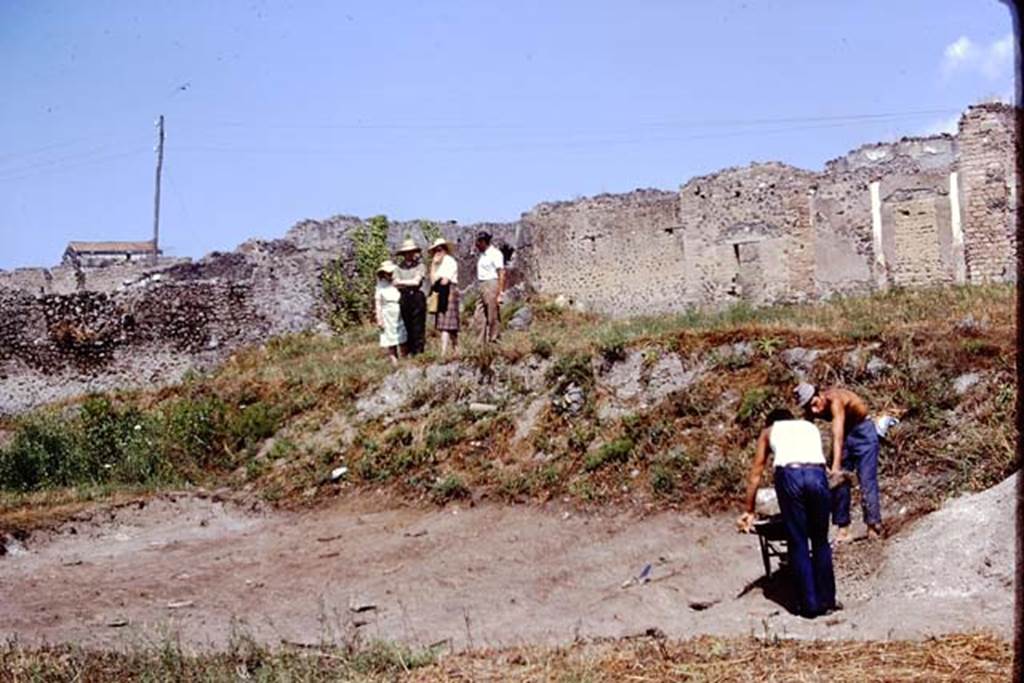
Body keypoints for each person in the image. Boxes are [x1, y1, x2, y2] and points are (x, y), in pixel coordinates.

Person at [737, 408, 838, 619]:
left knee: (798, 541)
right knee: (820, 540)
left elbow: (756, 473)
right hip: (817, 475)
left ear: (770, 422)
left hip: (790, 476)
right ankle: (828, 600)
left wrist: (749, 510)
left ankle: (809, 605)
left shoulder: (768, 431)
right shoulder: (810, 427)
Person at [794, 382, 882, 542]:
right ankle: (843, 529)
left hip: (863, 432)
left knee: (867, 479)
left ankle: (873, 525)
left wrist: (835, 467)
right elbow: (808, 435)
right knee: (838, 483)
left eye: (814, 404)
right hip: (846, 436)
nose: (814, 410)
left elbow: (837, 436)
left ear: (820, 395)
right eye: (809, 408)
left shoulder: (836, 400)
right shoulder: (812, 409)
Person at [393, 238, 428, 356]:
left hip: (417, 296)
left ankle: (419, 351)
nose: (409, 254)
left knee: (418, 324)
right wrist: (409, 282)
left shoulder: (420, 266)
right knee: (406, 324)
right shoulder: (398, 268)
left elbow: (416, 282)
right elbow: (395, 283)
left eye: (411, 252)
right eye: (406, 252)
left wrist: (403, 282)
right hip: (404, 297)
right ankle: (408, 351)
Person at [428, 237, 460, 358]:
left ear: (445, 249)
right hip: (440, 292)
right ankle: (450, 350)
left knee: (448, 324)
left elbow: (445, 281)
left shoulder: (450, 261)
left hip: (449, 290)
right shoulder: (436, 263)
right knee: (444, 324)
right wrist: (434, 264)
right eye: (436, 249)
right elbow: (432, 281)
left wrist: (437, 276)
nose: (438, 251)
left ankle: (447, 351)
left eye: (440, 249)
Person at [474, 231, 505, 343]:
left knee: (492, 314)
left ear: (483, 241)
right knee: (479, 315)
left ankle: (494, 340)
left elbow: (501, 272)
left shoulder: (495, 254)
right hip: (482, 284)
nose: (476, 245)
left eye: (478, 242)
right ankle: (480, 343)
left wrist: (500, 292)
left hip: (491, 283)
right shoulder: (482, 255)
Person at [374, 260, 406, 367]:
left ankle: (405, 360)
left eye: (391, 272)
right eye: (387, 273)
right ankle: (394, 363)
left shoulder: (398, 282)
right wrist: (379, 318)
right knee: (389, 339)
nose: (389, 275)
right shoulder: (380, 286)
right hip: (387, 313)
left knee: (402, 337)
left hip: (399, 310)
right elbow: (378, 302)